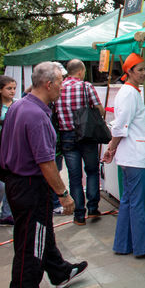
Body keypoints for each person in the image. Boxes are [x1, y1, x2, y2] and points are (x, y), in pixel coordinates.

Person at [0, 62, 88, 287]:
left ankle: (60, 271)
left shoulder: (19, 106)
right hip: (31, 187)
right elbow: (46, 162)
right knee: (31, 247)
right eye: (60, 83)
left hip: (16, 183)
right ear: (48, 85)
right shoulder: (36, 116)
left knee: (40, 231)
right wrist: (63, 194)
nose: (63, 87)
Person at [102, 53, 145, 257]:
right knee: (137, 202)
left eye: (144, 69)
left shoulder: (130, 92)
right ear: (129, 71)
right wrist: (111, 148)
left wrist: (112, 148)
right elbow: (120, 128)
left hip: (130, 155)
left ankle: (123, 244)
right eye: (140, 69)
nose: (143, 73)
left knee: (128, 200)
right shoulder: (129, 93)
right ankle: (143, 247)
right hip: (133, 155)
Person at [55, 59, 105, 226]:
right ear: (81, 71)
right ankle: (92, 208)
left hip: (66, 135)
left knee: (74, 177)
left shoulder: (59, 87)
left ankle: (78, 215)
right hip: (87, 134)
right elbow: (99, 109)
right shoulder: (85, 86)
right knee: (92, 171)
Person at [0, 75, 16, 225]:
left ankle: (6, 213)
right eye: (9, 88)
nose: (12, 91)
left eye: (14, 88)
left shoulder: (17, 105)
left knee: (9, 183)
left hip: (11, 150)